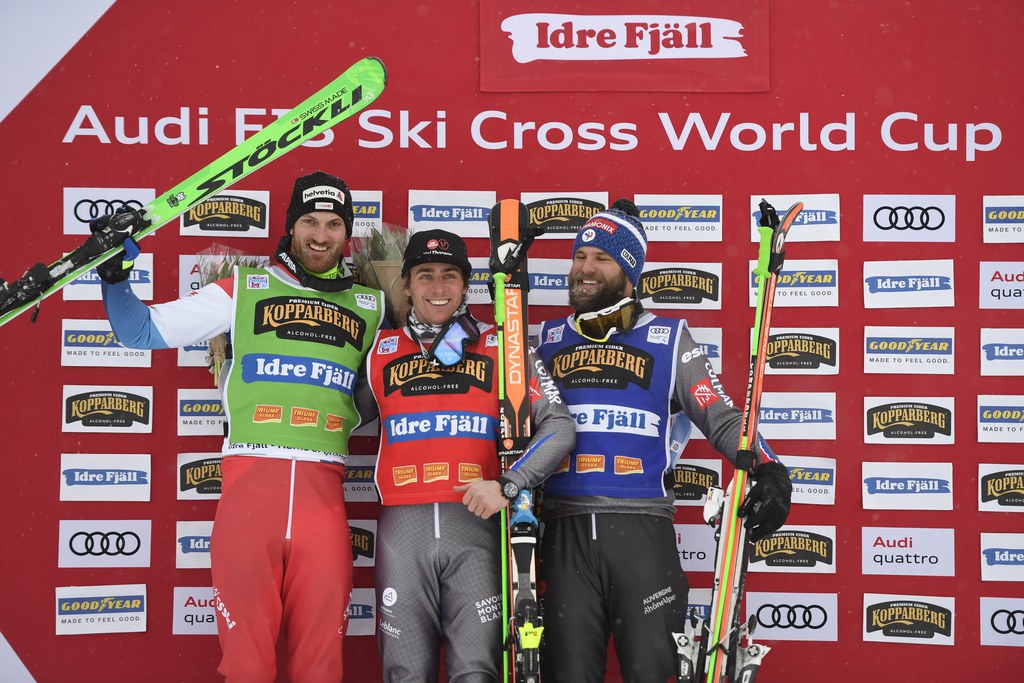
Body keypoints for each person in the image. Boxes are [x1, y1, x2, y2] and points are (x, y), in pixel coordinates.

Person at [94, 171, 384, 682]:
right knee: (247, 667)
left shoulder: (372, 305)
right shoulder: (246, 289)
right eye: (310, 221)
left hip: (325, 499)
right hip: (252, 494)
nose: (321, 235)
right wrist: (116, 277)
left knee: (322, 666)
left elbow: (404, 381)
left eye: (334, 224)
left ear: (348, 233)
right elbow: (140, 330)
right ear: (292, 226)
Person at [534, 199, 793, 683]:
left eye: (602, 259)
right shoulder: (545, 340)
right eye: (579, 256)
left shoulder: (670, 338)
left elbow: (720, 416)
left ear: (630, 271)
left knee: (653, 672)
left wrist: (771, 468)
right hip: (563, 532)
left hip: (642, 532)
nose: (585, 268)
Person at [361, 228, 574, 682]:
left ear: (466, 284)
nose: (437, 289)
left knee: (477, 671)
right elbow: (332, 414)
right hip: (403, 529)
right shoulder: (378, 352)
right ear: (406, 284)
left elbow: (559, 427)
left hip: (476, 525)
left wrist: (508, 482)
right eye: (425, 276)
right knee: (404, 673)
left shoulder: (505, 346)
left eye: (449, 276)